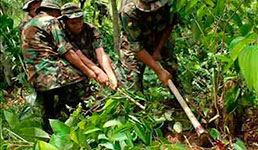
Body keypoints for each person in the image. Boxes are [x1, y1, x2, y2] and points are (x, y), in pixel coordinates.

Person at [21, 0, 110, 131]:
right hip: (52, 72)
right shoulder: (51, 21)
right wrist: (88, 72)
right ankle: (89, 121)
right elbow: (66, 51)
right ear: (55, 12)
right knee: (82, 85)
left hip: (36, 76)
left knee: (49, 108)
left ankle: (49, 134)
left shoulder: (28, 24)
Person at [120, 0, 178, 92]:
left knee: (171, 73)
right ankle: (135, 104)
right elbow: (137, 47)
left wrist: (158, 50)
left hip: (159, 37)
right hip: (135, 44)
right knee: (132, 81)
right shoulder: (128, 11)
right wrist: (159, 71)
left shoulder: (169, 3)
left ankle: (177, 104)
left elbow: (169, 25)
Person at [59, 2, 118, 90]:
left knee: (115, 72)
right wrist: (99, 72)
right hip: (78, 65)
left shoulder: (91, 29)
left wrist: (110, 75)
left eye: (80, 21)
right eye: (73, 23)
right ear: (65, 22)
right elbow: (79, 56)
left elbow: (101, 54)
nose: (78, 26)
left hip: (94, 61)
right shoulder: (63, 35)